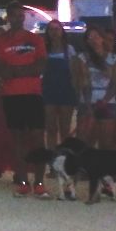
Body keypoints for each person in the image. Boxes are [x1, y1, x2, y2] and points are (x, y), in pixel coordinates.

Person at [0, 1, 49, 198]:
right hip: (11, 96)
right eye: (13, 15)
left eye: (20, 15)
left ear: (24, 17)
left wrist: (15, 71)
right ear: (8, 17)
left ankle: (39, 182)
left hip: (33, 94)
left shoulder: (35, 39)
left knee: (37, 139)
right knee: (17, 140)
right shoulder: (2, 41)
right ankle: (23, 181)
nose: (17, 18)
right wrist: (24, 70)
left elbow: (41, 66)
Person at [74, 24, 116, 153]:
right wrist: (89, 105)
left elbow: (115, 83)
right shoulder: (82, 58)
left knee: (106, 142)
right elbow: (83, 82)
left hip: (108, 103)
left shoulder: (113, 58)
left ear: (102, 38)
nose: (93, 39)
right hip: (87, 102)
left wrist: (105, 100)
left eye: (95, 36)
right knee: (85, 142)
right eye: (89, 37)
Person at [41, 20, 77, 151]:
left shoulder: (69, 50)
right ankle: (53, 163)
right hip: (48, 92)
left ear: (62, 31)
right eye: (51, 29)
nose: (54, 32)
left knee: (65, 130)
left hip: (66, 92)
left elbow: (74, 72)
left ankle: (64, 161)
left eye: (57, 29)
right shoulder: (44, 49)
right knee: (50, 129)